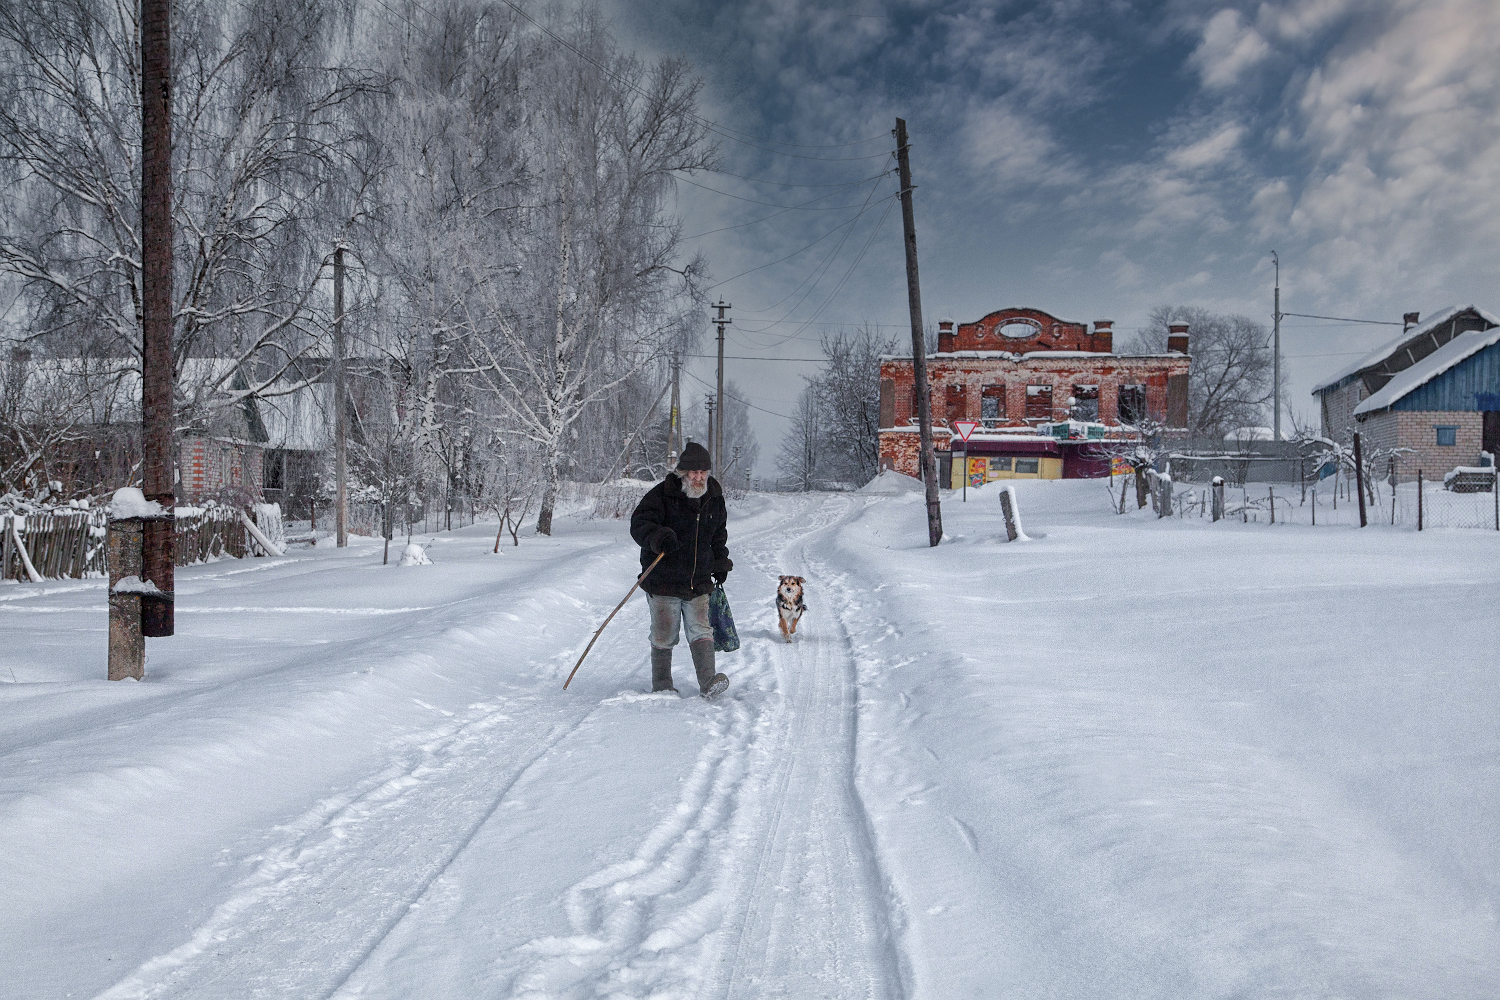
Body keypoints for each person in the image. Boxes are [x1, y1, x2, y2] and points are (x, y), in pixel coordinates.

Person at [629, 442, 732, 698]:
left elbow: (718, 536)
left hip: (698, 581)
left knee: (701, 630)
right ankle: (662, 685)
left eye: (704, 472)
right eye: (694, 473)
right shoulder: (662, 495)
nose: (699, 478)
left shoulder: (714, 498)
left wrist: (720, 562)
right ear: (682, 472)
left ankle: (708, 682)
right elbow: (639, 524)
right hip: (663, 580)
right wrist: (659, 537)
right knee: (664, 634)